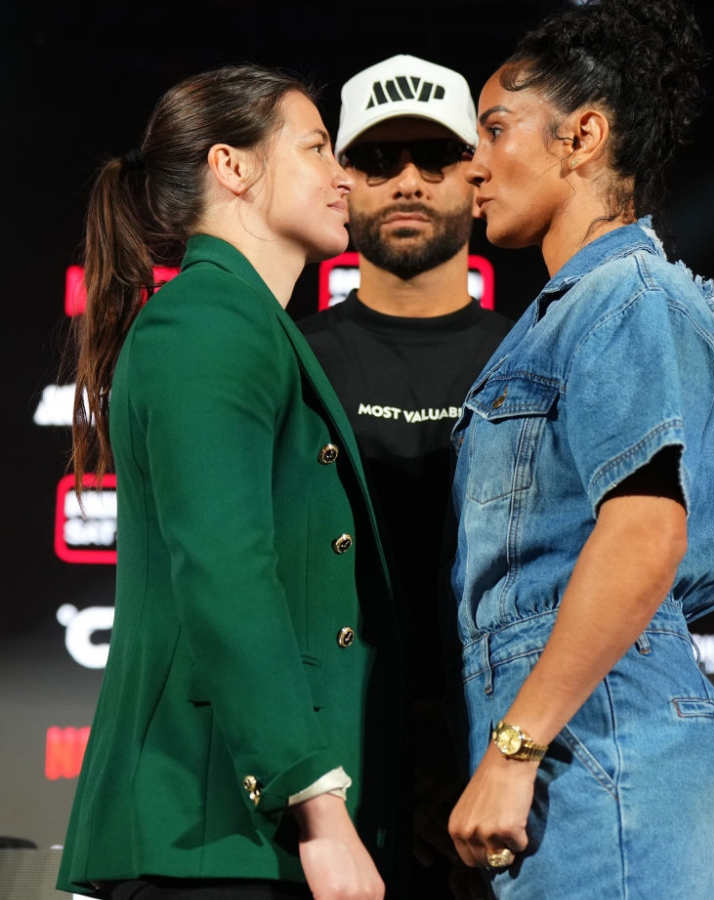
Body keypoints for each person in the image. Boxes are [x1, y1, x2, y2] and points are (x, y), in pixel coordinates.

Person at [56, 64, 401, 900]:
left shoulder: (241, 321)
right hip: (206, 835)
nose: (343, 176)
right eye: (317, 148)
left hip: (235, 836)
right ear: (232, 167)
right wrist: (319, 807)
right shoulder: (208, 321)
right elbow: (223, 567)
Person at [442, 0, 714, 897]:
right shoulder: (572, 312)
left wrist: (515, 746)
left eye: (495, 130)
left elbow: (646, 531)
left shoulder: (626, 295)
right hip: (588, 740)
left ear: (582, 137)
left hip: (607, 742)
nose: (474, 164)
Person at [297, 53, 513, 897]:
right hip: (329, 773)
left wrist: (478, 757)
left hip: (498, 778)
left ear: (474, 175)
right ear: (343, 180)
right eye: (380, 161)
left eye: (434, 158)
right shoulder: (295, 361)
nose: (409, 182)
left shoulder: (530, 359)